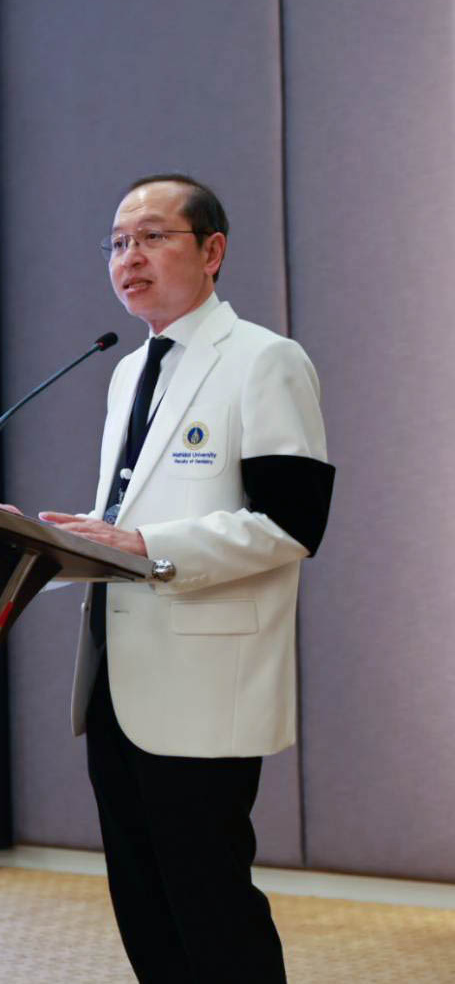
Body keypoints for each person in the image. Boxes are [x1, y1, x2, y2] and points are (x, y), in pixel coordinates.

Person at [37, 174, 334, 982]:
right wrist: (54, 540)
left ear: (211, 251)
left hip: (203, 677)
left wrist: (141, 543)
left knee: (209, 899)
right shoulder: (126, 370)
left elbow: (291, 523)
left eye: (151, 237)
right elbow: (132, 514)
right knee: (142, 898)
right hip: (116, 677)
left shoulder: (264, 360)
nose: (128, 257)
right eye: (116, 243)